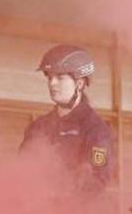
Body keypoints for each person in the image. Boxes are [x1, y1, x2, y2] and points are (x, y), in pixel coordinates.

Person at [20, 44, 114, 202]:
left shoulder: (96, 129)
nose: (52, 83)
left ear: (80, 83)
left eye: (60, 78)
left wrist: (62, 198)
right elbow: (22, 168)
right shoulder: (38, 127)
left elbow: (98, 179)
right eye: (50, 78)